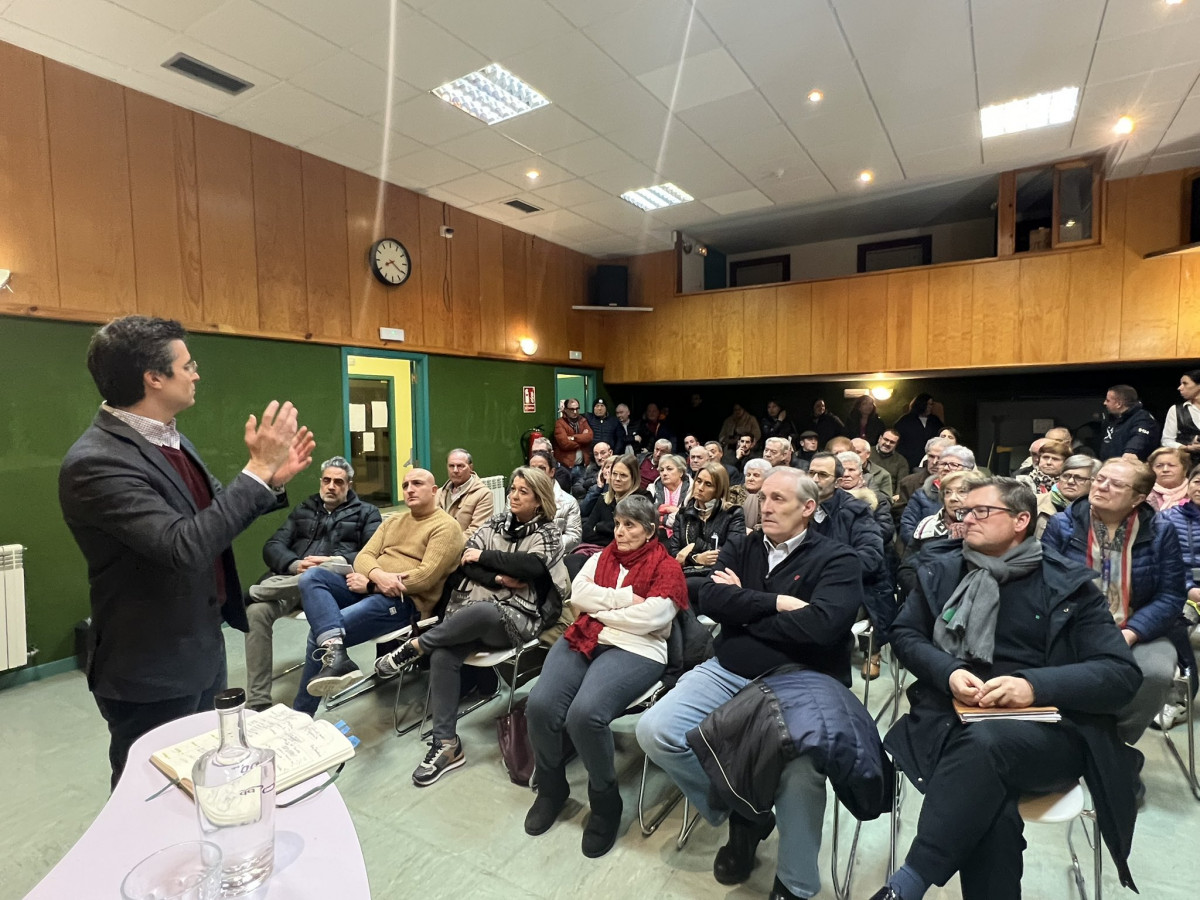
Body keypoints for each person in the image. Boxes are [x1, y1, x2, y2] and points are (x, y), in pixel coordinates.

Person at [59, 315, 316, 788]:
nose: (196, 373)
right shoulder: (97, 462)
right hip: (151, 668)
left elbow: (214, 511)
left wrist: (270, 482)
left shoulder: (167, 437)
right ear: (153, 378)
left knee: (199, 783)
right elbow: (184, 546)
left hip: (200, 648)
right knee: (151, 794)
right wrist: (256, 469)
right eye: (187, 365)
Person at [870, 478, 1142, 900]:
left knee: (984, 747)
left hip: (1049, 730)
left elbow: (1119, 674)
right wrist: (947, 672)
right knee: (991, 811)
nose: (966, 519)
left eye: (982, 511)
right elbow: (905, 636)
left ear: (1021, 520)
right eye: (964, 511)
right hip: (948, 718)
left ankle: (908, 883)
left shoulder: (1068, 583)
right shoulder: (940, 570)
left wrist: (1034, 686)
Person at [638, 467, 863, 900]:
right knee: (657, 731)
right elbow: (712, 598)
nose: (766, 505)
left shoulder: (838, 559)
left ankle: (795, 884)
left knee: (800, 775)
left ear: (809, 508)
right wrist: (777, 603)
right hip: (730, 669)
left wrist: (745, 613)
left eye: (779, 498)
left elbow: (822, 628)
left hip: (802, 679)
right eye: (764, 497)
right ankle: (750, 816)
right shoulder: (742, 544)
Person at [374, 467, 571, 786]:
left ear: (539, 500)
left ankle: (415, 646)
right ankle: (447, 745)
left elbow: (531, 566)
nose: (514, 496)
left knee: (481, 612)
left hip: (522, 617)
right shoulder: (496, 524)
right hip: (477, 613)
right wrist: (495, 576)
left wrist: (485, 556)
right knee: (444, 655)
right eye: (513, 489)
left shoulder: (547, 532)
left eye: (523, 491)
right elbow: (466, 562)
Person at [524, 494, 688, 857]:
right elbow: (578, 596)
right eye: (617, 523)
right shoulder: (600, 557)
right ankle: (552, 789)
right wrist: (628, 599)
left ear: (649, 530)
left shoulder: (667, 569)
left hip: (639, 648)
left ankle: (605, 802)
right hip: (585, 636)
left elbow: (653, 620)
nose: (620, 531)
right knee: (540, 705)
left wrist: (605, 607)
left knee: (585, 715)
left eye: (630, 525)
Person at [1041, 458, 1188, 746]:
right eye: (1100, 479)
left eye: (1116, 484)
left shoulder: (1160, 530)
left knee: (1155, 673)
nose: (1102, 487)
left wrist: (1131, 633)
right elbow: (1044, 583)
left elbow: (1171, 595)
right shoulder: (1063, 524)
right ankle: (1068, 741)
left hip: (1138, 626)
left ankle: (1115, 744)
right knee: (1054, 667)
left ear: (1138, 498)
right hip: (1072, 623)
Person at [296, 468, 463, 709]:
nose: (410, 489)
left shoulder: (446, 527)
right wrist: (376, 578)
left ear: (435, 491)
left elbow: (423, 578)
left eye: (417, 483)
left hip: (404, 603)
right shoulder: (394, 520)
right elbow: (363, 558)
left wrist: (372, 584)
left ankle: (302, 713)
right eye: (405, 485)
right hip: (372, 587)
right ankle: (337, 654)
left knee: (319, 634)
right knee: (312, 577)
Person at [244, 457, 381, 711]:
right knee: (256, 612)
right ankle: (258, 702)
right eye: (327, 480)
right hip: (290, 583)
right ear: (321, 481)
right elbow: (273, 546)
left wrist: (333, 560)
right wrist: (295, 564)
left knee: (318, 573)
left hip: (330, 585)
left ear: (349, 485)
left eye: (338, 482)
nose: (331, 486)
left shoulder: (367, 513)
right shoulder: (305, 508)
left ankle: (255, 592)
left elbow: (372, 553)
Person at [897, 469, 989, 601]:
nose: (953, 498)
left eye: (962, 491)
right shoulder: (926, 525)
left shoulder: (987, 527)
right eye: (947, 492)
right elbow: (906, 569)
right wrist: (926, 593)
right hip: (924, 600)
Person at [1157, 463, 1200, 728]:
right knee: (1172, 626)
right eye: (1197, 481)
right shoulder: (1169, 517)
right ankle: (1178, 701)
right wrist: (1190, 589)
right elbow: (1165, 563)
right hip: (1186, 593)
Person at [667, 461, 746, 604]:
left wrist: (692, 549)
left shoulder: (732, 513)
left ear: (719, 489)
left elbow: (733, 552)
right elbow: (674, 553)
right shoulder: (684, 514)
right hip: (687, 574)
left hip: (717, 575)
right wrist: (697, 558)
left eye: (708, 484)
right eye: (698, 481)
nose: (700, 488)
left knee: (685, 589)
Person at [901, 445, 977, 549]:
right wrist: (927, 550)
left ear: (968, 469)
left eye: (953, 465)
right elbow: (907, 527)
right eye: (943, 464)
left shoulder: (978, 496)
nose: (946, 468)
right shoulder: (921, 494)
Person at [580, 454, 647, 555]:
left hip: (629, 553)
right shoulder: (604, 498)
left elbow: (630, 538)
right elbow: (587, 533)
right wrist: (610, 535)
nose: (617, 479)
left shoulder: (642, 499)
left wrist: (599, 527)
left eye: (623, 475)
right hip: (600, 550)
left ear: (633, 477)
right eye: (614, 474)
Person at [1034, 454, 1099, 539]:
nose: (1070, 481)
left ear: (1093, 482)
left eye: (1079, 478)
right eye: (1066, 476)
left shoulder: (1097, 511)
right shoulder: (1034, 502)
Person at [529, 450, 583, 552]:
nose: (536, 473)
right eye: (532, 469)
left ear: (552, 472)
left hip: (555, 554)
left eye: (542, 468)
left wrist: (544, 544)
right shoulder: (515, 497)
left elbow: (574, 537)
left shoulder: (569, 502)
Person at [436, 448, 494, 539]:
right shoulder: (439, 493)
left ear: (470, 468)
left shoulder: (483, 494)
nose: (455, 470)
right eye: (451, 466)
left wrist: (449, 545)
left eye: (460, 466)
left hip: (464, 548)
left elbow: (478, 530)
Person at [1100, 384, 1160, 462]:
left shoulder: (1143, 418)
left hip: (1131, 466)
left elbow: (1140, 437)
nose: (1104, 403)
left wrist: (1131, 451)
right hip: (1109, 464)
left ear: (1119, 404)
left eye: (1108, 400)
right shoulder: (1111, 419)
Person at [894, 393, 945, 470]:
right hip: (910, 461)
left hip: (931, 460)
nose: (930, 407)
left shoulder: (935, 421)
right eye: (928, 404)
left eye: (931, 404)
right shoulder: (905, 421)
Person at [646, 452, 690, 537]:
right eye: (661, 470)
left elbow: (688, 520)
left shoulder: (692, 491)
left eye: (669, 469)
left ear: (681, 472)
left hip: (684, 536)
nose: (664, 473)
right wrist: (676, 512)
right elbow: (648, 517)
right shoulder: (651, 489)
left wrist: (662, 519)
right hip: (656, 535)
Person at [1162, 369, 1200, 464]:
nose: (1180, 388)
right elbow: (1166, 440)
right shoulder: (1176, 410)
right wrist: (1186, 448)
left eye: (1185, 383)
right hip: (1189, 463)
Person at [553, 397, 594, 479]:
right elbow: (564, 443)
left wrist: (572, 437)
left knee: (581, 489)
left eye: (577, 409)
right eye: (572, 409)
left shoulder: (583, 420)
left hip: (583, 466)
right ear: (566, 409)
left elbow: (590, 437)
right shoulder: (560, 423)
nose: (575, 412)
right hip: (566, 467)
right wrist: (582, 440)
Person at [1147, 446, 1191, 512]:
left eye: (1171, 465)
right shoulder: (1144, 495)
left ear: (1184, 470)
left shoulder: (1194, 493)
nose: (1165, 470)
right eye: (1159, 466)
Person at [872, 428, 911, 496]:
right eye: (886, 439)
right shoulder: (867, 453)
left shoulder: (901, 461)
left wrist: (897, 497)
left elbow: (901, 486)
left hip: (888, 498)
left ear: (896, 444)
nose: (887, 444)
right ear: (880, 439)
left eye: (892, 442)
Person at [742, 458, 772, 532]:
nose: (750, 478)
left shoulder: (770, 497)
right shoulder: (733, 492)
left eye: (756, 475)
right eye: (748, 475)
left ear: (766, 478)